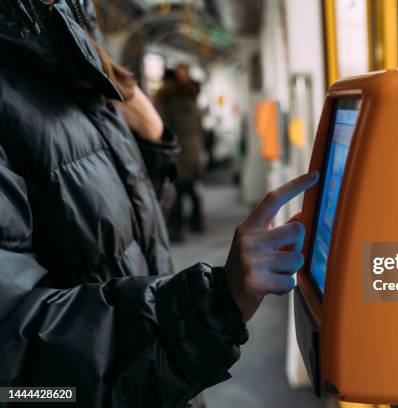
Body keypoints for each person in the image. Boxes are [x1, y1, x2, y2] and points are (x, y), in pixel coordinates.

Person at [0, 1, 318, 407]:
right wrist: (211, 307)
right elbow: (17, 376)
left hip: (155, 378)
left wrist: (153, 149)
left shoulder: (78, 59)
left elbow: (122, 231)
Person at [155, 65, 206, 241]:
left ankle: (177, 229)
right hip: (193, 148)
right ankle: (197, 221)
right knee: (191, 186)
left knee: (175, 189)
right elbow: (199, 125)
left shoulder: (167, 100)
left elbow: (162, 126)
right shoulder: (191, 97)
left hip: (177, 149)